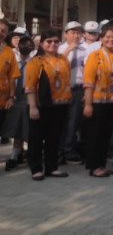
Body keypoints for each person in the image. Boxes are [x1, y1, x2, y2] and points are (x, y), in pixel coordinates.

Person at [82, 25, 113, 177]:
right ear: (101, 39)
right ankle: (94, 166)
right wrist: (88, 104)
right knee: (96, 134)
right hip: (98, 102)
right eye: (107, 37)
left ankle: (101, 165)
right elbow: (89, 82)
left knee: (107, 135)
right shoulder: (94, 56)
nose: (111, 40)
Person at [25, 30, 71, 180]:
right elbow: (30, 86)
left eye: (56, 41)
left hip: (60, 104)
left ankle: (52, 167)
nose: (53, 44)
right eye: (49, 41)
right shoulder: (35, 61)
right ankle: (36, 168)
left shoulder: (64, 59)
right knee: (36, 138)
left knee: (54, 137)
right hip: (40, 105)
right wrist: (33, 107)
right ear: (42, 43)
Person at [56, 21, 89, 165]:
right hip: (60, 90)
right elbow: (56, 65)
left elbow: (88, 71)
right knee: (58, 121)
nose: (76, 35)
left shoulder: (85, 49)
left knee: (73, 121)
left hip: (77, 89)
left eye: (78, 33)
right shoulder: (58, 48)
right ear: (66, 34)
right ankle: (57, 152)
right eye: (73, 32)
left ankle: (68, 150)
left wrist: (86, 92)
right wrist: (69, 49)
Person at [3, 35, 33, 171]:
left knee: (29, 129)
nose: (25, 47)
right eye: (23, 44)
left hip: (30, 97)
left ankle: (30, 154)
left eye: (29, 44)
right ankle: (15, 156)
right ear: (18, 46)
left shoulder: (36, 63)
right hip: (15, 97)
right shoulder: (13, 62)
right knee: (16, 128)